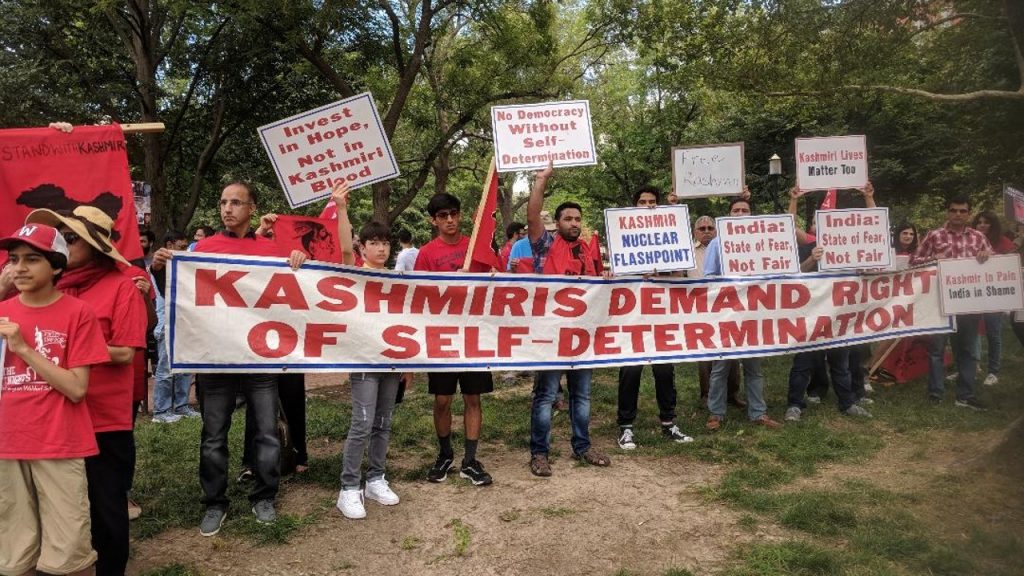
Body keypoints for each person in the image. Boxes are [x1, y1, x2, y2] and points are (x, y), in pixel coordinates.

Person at [151, 181, 307, 535]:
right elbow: (180, 297)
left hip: (260, 360)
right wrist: (162, 269)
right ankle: (214, 502)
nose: (227, 209)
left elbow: (300, 291)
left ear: (252, 208)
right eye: (223, 202)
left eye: (236, 203)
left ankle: (264, 495)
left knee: (266, 433)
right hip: (215, 360)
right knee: (213, 435)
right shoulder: (202, 249)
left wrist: (301, 262)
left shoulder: (272, 251)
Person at [22, 205, 147, 576]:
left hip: (103, 420)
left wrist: (68, 343)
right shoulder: (49, 287)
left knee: (105, 507)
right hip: (51, 417)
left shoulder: (122, 288)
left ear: (96, 246)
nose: (63, 242)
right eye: (61, 235)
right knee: (58, 507)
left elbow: (125, 351)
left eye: (72, 237)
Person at [0, 224, 110, 576]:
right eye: (14, 259)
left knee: (69, 551)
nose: (20, 268)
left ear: (57, 266)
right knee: (13, 551)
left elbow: (77, 388)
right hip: (6, 444)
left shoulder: (78, 313)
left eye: (32, 259)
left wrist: (23, 349)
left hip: (59, 443)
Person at [328, 182, 412, 519]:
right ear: (364, 248)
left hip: (391, 360)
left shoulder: (397, 279)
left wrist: (408, 364)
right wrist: (342, 207)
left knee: (384, 422)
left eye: (385, 243)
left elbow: (407, 322)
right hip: (364, 359)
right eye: (374, 243)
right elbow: (345, 250)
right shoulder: (355, 272)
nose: (380, 248)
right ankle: (348, 487)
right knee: (361, 424)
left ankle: (375, 478)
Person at [527, 163, 610, 476]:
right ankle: (539, 452)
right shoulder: (545, 245)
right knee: (547, 395)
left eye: (578, 219)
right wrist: (541, 181)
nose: (574, 223)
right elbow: (533, 216)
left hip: (582, 338)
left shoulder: (588, 252)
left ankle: (583, 446)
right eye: (568, 218)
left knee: (582, 395)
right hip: (550, 336)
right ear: (558, 223)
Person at [413, 192, 494, 486]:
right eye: (443, 216)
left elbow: (493, 287)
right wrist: (450, 284)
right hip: (443, 336)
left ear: (461, 215)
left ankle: (470, 460)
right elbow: (419, 295)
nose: (450, 220)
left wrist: (488, 275)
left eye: (454, 214)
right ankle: (445, 453)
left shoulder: (477, 249)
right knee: (443, 399)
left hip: (473, 334)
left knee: (473, 398)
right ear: (433, 220)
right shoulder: (426, 253)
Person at [616, 186, 691, 450]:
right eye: (642, 201)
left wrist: (661, 277)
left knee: (664, 371)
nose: (647, 205)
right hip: (633, 318)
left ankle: (669, 423)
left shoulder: (671, 239)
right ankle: (626, 427)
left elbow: (681, 277)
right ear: (634, 206)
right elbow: (616, 278)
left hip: (660, 317)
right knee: (630, 371)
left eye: (652, 202)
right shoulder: (621, 236)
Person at [703, 197, 781, 430]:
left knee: (754, 367)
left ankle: (758, 412)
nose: (740, 213)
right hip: (728, 314)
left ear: (751, 214)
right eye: (735, 210)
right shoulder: (717, 244)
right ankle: (716, 413)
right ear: (728, 215)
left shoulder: (762, 242)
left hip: (754, 313)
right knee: (721, 367)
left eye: (744, 210)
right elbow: (708, 277)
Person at [911, 197, 991, 409]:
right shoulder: (934, 236)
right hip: (940, 303)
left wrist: (987, 255)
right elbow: (914, 261)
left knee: (967, 351)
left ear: (968, 214)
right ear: (948, 212)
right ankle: (935, 393)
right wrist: (931, 260)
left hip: (968, 303)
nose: (958, 214)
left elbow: (993, 263)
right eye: (954, 210)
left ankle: (965, 395)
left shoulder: (979, 237)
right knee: (937, 349)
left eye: (962, 211)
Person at [784, 245, 871, 421]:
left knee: (841, 365)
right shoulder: (807, 247)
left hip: (838, 321)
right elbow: (793, 274)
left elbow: (861, 281)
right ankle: (794, 405)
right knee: (802, 365)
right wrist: (811, 259)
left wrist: (860, 270)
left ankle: (847, 403)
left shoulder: (850, 248)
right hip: (811, 321)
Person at [685, 214, 743, 408]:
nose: (707, 232)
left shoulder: (728, 249)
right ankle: (706, 395)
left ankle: (733, 394)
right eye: (702, 229)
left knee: (733, 349)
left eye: (710, 228)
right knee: (705, 353)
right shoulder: (687, 253)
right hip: (700, 307)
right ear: (695, 232)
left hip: (727, 305)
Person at [151, 230, 195, 423]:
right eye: (181, 247)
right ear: (169, 246)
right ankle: (161, 412)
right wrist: (158, 263)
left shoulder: (185, 266)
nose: (185, 251)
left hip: (185, 325)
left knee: (185, 369)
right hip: (167, 325)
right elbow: (156, 269)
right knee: (166, 370)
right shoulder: (160, 266)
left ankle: (181, 406)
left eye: (186, 247)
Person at [972, 211, 1014, 387]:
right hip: (972, 294)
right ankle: (971, 367)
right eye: (979, 222)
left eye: (986, 222)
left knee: (993, 333)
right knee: (971, 333)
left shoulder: (1003, 242)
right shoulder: (970, 241)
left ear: (993, 224)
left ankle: (993, 372)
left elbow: (1010, 264)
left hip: (994, 295)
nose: (982, 225)